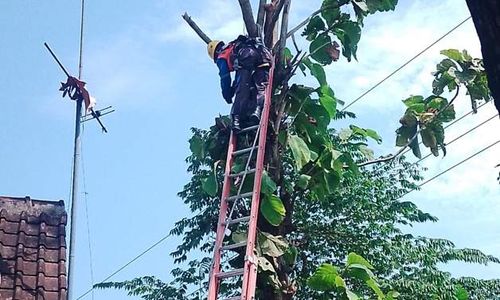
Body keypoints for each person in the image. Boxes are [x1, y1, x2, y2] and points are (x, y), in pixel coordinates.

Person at [207, 35, 272, 132]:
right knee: (260, 86)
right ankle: (257, 111)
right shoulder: (234, 45)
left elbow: (225, 77)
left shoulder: (221, 56)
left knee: (242, 89)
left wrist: (227, 94)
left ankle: (236, 119)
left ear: (216, 53)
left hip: (246, 56)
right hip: (262, 54)